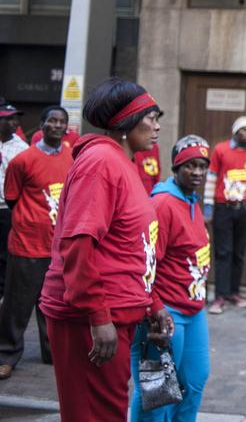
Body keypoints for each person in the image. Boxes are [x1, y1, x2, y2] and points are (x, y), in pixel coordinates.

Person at [39, 78, 174, 421]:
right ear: (126, 123)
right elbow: (77, 244)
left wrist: (152, 302)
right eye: (151, 118)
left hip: (119, 311)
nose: (157, 126)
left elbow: (130, 247)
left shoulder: (123, 163)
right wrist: (98, 317)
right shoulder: (100, 162)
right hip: (90, 318)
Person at [129, 135, 212, 422]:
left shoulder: (192, 200)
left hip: (193, 309)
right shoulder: (163, 204)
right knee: (158, 392)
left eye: (202, 166)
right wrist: (153, 309)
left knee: (194, 381)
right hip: (165, 311)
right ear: (176, 167)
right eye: (190, 165)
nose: (197, 172)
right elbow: (145, 264)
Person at [0, 106, 72, 379]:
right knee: (17, 305)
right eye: (52, 120)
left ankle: (52, 352)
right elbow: (12, 198)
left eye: (61, 122)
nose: (57, 125)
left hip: (58, 246)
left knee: (52, 303)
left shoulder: (71, 157)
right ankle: (6, 355)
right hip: (27, 244)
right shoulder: (23, 160)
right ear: (42, 125)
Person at [204, 116, 246, 314]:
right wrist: (208, 205)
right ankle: (219, 296)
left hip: (244, 210)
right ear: (236, 131)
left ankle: (234, 292)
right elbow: (211, 178)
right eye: (244, 130)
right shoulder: (221, 150)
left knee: (239, 253)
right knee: (223, 252)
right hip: (223, 208)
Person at [0, 102, 29, 298]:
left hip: (7, 209)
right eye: (8, 119)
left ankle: (2, 292)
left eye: (15, 119)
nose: (13, 122)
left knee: (4, 253)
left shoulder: (22, 149)